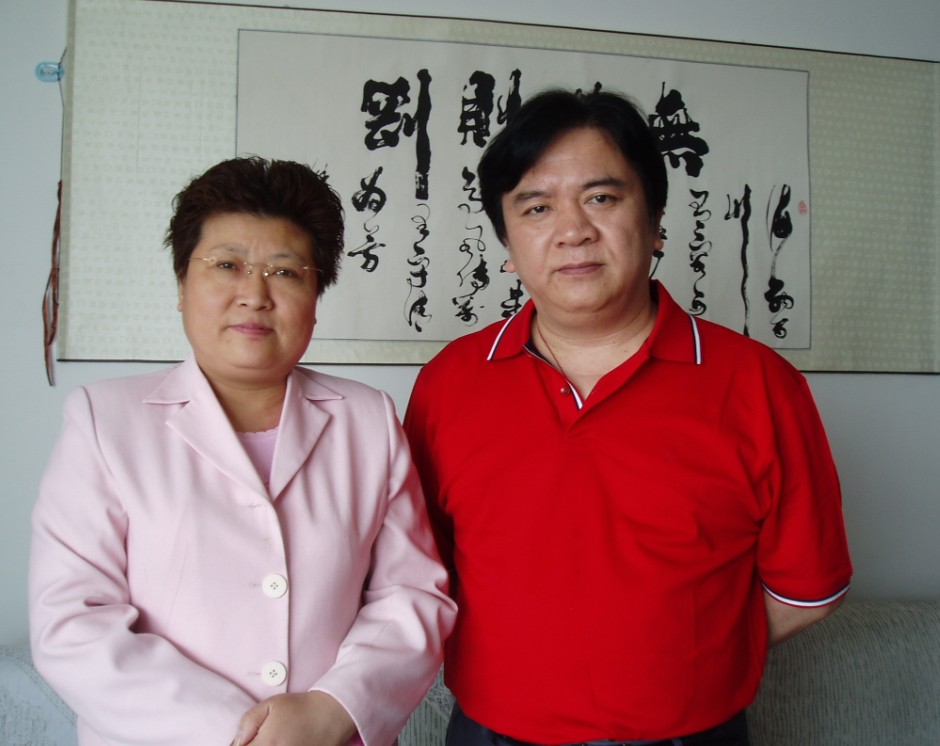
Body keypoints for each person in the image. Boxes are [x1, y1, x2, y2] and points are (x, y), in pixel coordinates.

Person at [403, 89, 852, 746]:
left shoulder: (759, 385)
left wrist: (674, 657)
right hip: (490, 733)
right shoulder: (448, 384)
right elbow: (419, 570)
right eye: (536, 207)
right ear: (506, 243)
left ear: (655, 219)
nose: (573, 230)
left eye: (602, 198)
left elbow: (807, 589)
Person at [30, 157, 456, 746]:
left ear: (315, 298)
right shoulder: (105, 421)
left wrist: (333, 709)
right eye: (227, 265)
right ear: (182, 286)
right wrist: (238, 734)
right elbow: (73, 622)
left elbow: (410, 594)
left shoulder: (368, 420)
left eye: (286, 272)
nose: (254, 295)